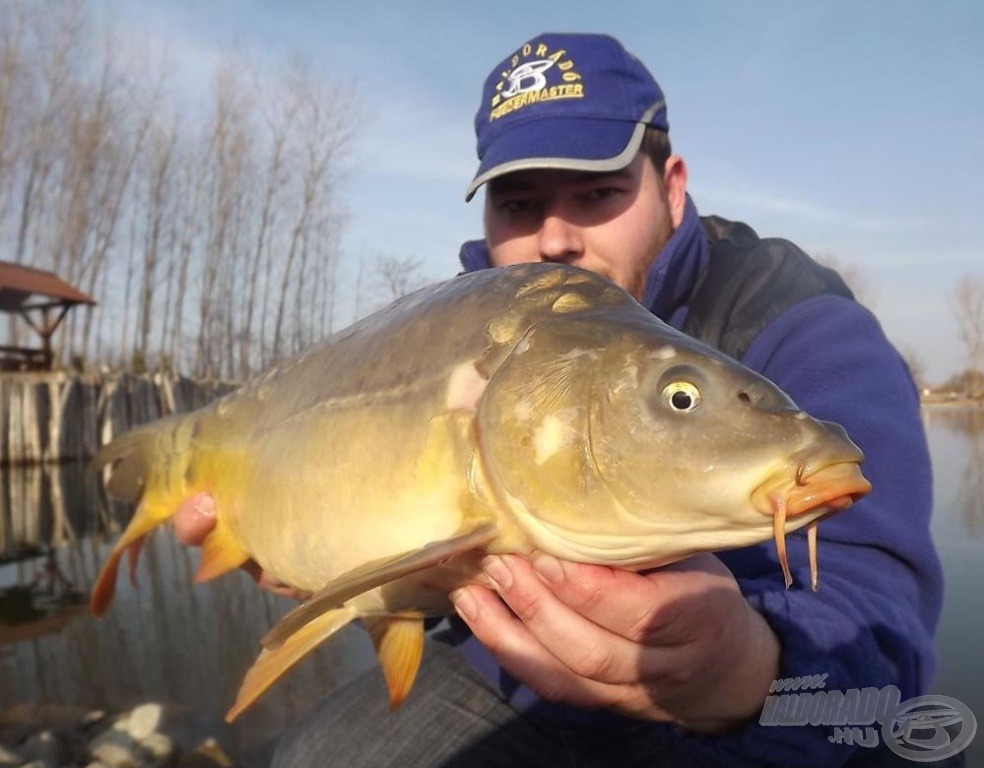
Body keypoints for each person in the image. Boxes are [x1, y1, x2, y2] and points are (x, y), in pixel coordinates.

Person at [175, 33, 943, 767]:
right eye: (518, 204)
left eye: (597, 193)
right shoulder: (454, 337)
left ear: (672, 188)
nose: (554, 238)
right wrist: (333, 555)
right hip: (514, 674)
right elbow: (440, 559)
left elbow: (883, 637)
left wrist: (744, 675)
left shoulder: (801, 324)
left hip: (770, 710)